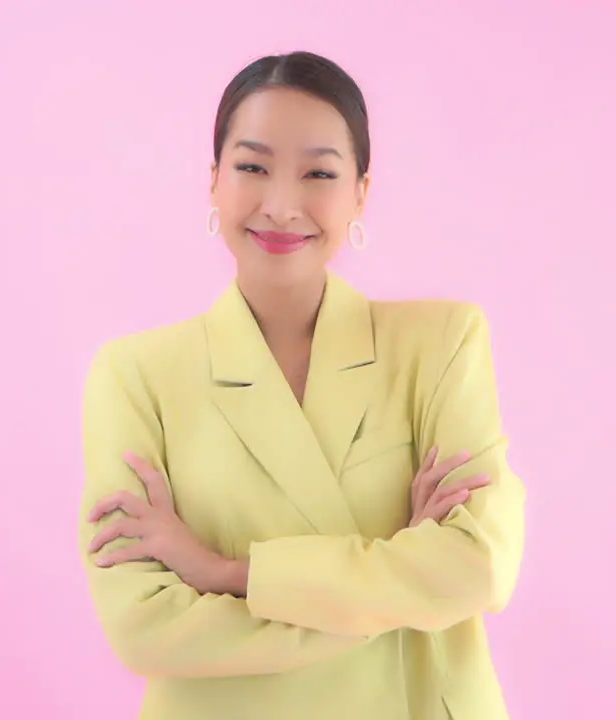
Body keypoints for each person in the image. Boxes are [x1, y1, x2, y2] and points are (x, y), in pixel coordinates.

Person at [77, 50, 527, 720]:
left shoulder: (441, 344)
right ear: (213, 182)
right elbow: (143, 628)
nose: (283, 206)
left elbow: (479, 565)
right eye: (252, 167)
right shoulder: (136, 376)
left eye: (318, 173)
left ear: (361, 193)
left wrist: (229, 573)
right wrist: (398, 582)